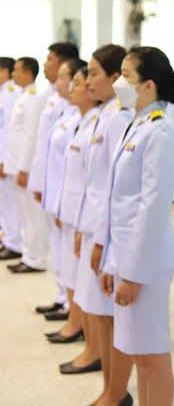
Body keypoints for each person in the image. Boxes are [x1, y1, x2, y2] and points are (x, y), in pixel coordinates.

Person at [98, 46, 174, 406]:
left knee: (150, 356)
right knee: (138, 350)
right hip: (129, 255)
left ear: (148, 85)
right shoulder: (137, 124)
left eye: (126, 75)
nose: (119, 81)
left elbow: (152, 208)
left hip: (147, 263)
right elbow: (119, 202)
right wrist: (113, 261)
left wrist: (132, 273)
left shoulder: (159, 132)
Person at [76, 44, 134, 406]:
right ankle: (109, 389)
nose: (87, 80)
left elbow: (116, 187)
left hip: (107, 229)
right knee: (98, 312)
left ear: (115, 78)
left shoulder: (119, 117)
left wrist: (102, 239)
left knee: (109, 315)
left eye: (94, 72)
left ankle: (116, 391)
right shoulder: (103, 113)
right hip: (94, 223)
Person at [53, 60, 103, 375]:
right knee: (76, 281)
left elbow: (95, 181)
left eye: (80, 82)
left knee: (88, 289)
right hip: (76, 212)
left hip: (88, 217)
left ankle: (92, 348)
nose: (74, 88)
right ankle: (83, 336)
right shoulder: (83, 120)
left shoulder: (101, 121)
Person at [30, 42, 80, 311]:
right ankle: (63, 298)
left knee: (67, 252)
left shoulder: (77, 113)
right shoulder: (56, 101)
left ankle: (69, 305)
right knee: (58, 249)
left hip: (65, 194)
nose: (46, 64)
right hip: (54, 189)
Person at [41, 58, 84, 343]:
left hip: (71, 205)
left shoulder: (81, 118)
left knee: (71, 263)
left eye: (70, 78)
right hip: (59, 198)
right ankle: (65, 302)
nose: (63, 83)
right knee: (61, 258)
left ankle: (73, 315)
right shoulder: (70, 114)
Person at [5, 57, 48, 273]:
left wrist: (24, 168)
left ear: (29, 73)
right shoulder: (23, 95)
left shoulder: (34, 97)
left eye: (17, 70)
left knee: (32, 215)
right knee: (24, 213)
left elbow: (31, 135)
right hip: (16, 164)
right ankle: (27, 254)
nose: (13, 74)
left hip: (25, 167)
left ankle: (35, 258)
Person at [0, 57, 22, 262]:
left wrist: (4, 160)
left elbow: (8, 131)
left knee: (9, 202)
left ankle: (14, 243)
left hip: (6, 157)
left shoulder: (11, 93)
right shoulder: (4, 93)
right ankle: (7, 238)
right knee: (4, 202)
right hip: (4, 156)